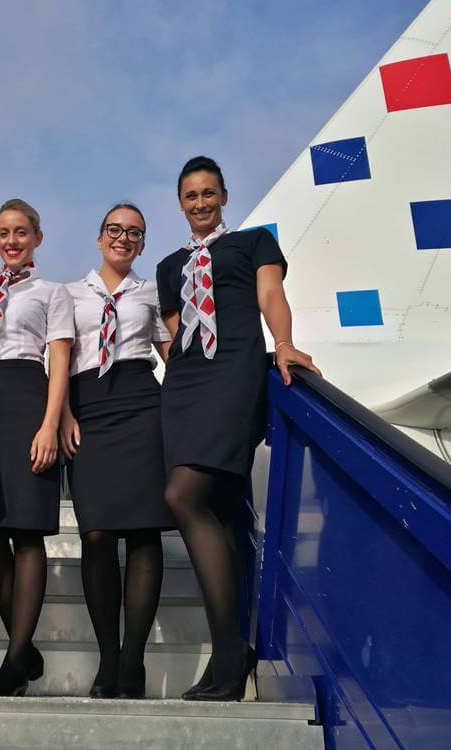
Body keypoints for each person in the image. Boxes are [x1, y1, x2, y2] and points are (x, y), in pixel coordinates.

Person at [156, 156, 320, 701]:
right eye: (190, 196)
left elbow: (270, 295)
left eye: (208, 193)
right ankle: (230, 654)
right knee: (218, 512)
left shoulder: (252, 244)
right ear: (180, 203)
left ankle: (229, 653)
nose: (199, 203)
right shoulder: (168, 265)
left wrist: (285, 342)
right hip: (184, 383)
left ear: (223, 195)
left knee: (184, 496)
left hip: (234, 371)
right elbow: (177, 333)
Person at [0, 199, 74, 697]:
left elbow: (60, 359)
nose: (12, 241)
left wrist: (50, 424)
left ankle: (12, 663)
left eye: (21, 232)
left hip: (30, 397)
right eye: (4, 233)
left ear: (37, 237)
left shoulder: (52, 292)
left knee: (26, 534)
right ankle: (24, 649)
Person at [60, 203, 175, 699]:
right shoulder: (68, 294)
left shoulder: (151, 292)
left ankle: (134, 661)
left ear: (143, 243)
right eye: (115, 229)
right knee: (98, 533)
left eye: (134, 233)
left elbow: (172, 353)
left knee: (144, 533)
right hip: (87, 408)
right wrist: (62, 413)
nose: (123, 238)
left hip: (141, 402)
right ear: (99, 235)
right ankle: (108, 656)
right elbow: (59, 357)